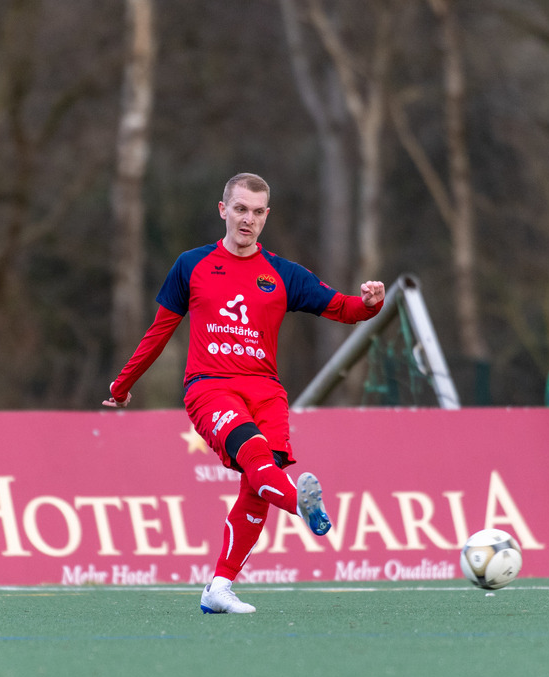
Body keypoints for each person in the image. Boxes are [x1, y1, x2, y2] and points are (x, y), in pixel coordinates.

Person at [103, 173, 387, 612]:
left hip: (267, 394)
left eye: (256, 212)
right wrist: (122, 385)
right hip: (210, 388)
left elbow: (343, 309)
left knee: (257, 487)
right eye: (240, 209)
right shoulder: (192, 265)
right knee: (255, 456)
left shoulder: (283, 274)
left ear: (266, 216)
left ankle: (219, 588)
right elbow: (159, 333)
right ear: (223, 210)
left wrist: (371, 303)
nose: (247, 219)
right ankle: (303, 507)